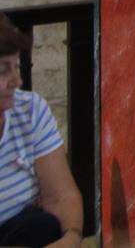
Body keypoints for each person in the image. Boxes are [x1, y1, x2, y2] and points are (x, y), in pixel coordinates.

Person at [0, 13, 82, 247]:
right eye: (4, 70)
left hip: (21, 234)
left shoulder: (30, 109)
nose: (17, 81)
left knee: (41, 227)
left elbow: (61, 196)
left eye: (16, 67)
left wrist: (71, 239)